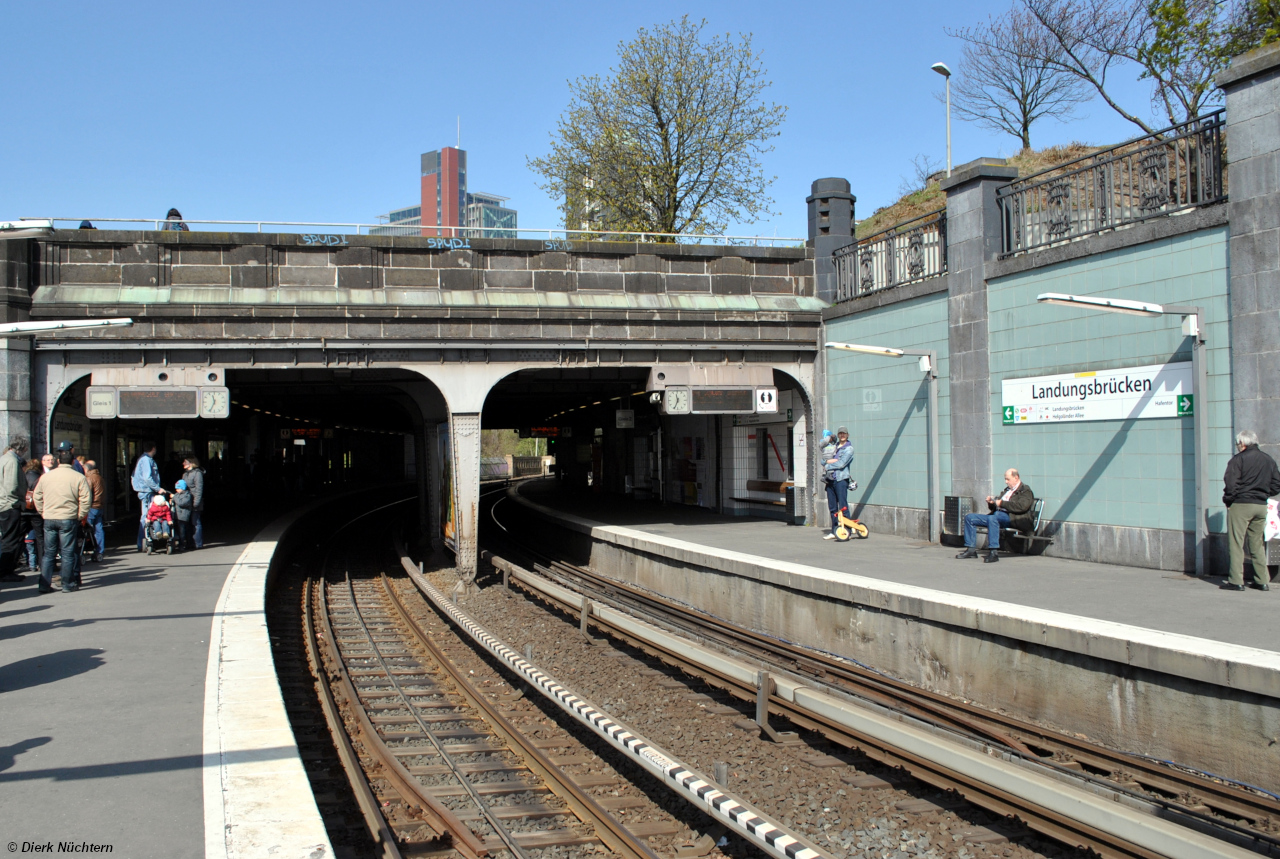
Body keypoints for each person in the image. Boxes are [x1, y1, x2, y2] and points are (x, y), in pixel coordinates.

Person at [1220, 430, 1280, 591]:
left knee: (1236, 543)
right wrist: (1263, 494)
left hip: (1241, 504)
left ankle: (1236, 581)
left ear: (1242, 443)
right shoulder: (1268, 460)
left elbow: (1231, 483)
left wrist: (1228, 500)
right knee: (1257, 543)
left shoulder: (1238, 460)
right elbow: (1276, 485)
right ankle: (1262, 581)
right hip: (1261, 506)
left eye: (1237, 444)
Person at [33, 447, 91, 593]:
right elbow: (86, 499)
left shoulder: (46, 477)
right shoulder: (78, 477)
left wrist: (42, 511)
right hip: (68, 517)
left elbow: (37, 496)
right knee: (67, 552)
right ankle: (67, 583)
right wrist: (80, 514)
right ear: (73, 462)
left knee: (49, 553)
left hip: (50, 517)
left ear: (58, 461)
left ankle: (44, 584)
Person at [957, 468, 1035, 563]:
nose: (1006, 482)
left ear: (1016, 477)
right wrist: (992, 503)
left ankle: (993, 552)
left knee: (993, 518)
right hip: (996, 515)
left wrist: (1001, 503)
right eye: (1005, 479)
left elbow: (1021, 507)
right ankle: (971, 550)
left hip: (1012, 518)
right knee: (970, 518)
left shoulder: (1025, 491)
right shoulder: (1007, 490)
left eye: (1008, 479)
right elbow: (996, 507)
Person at [0, 435, 28, 583]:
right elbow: (11, 486)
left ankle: (5, 569)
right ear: (21, 448)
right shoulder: (11, 461)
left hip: (5, 504)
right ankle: (5, 571)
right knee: (10, 539)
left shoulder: (4, 458)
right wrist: (17, 501)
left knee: (7, 538)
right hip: (10, 505)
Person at [823, 426, 854, 540]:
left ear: (847, 435)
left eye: (844, 433)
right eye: (840, 433)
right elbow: (825, 458)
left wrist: (827, 465)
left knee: (843, 506)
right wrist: (826, 461)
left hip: (841, 480)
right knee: (832, 507)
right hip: (830, 480)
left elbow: (841, 464)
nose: (842, 435)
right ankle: (834, 530)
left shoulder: (849, 449)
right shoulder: (834, 447)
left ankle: (848, 530)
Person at [132, 442, 161, 551]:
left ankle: (146, 540)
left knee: (146, 516)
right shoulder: (146, 460)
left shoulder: (142, 459)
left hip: (145, 490)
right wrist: (158, 488)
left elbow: (133, 476)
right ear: (153, 448)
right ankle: (144, 541)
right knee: (147, 516)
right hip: (147, 492)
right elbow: (147, 478)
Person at [22, 458, 43, 572]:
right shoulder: (40, 478)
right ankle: (41, 563)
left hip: (23, 510)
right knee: (40, 538)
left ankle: (13, 562)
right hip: (36, 511)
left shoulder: (23, 476)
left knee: (19, 537)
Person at [84, 460, 106, 562]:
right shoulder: (100, 477)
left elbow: (88, 494)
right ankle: (100, 550)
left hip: (92, 506)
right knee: (99, 529)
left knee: (86, 529)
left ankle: (85, 548)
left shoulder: (89, 478)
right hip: (99, 506)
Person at [183, 455, 205, 549]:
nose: (183, 463)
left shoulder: (197, 473)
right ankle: (189, 542)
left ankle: (198, 543)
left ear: (191, 463)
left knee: (195, 522)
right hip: (187, 501)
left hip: (195, 501)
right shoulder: (185, 474)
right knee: (187, 523)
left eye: (185, 462)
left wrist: (196, 502)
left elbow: (199, 489)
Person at [172, 480, 193, 551]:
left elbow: (181, 503)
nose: (176, 490)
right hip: (177, 516)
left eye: (178, 488)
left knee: (183, 532)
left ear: (182, 488)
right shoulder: (177, 495)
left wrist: (174, 497)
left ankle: (183, 545)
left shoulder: (187, 495)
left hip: (183, 517)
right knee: (177, 530)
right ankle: (178, 543)